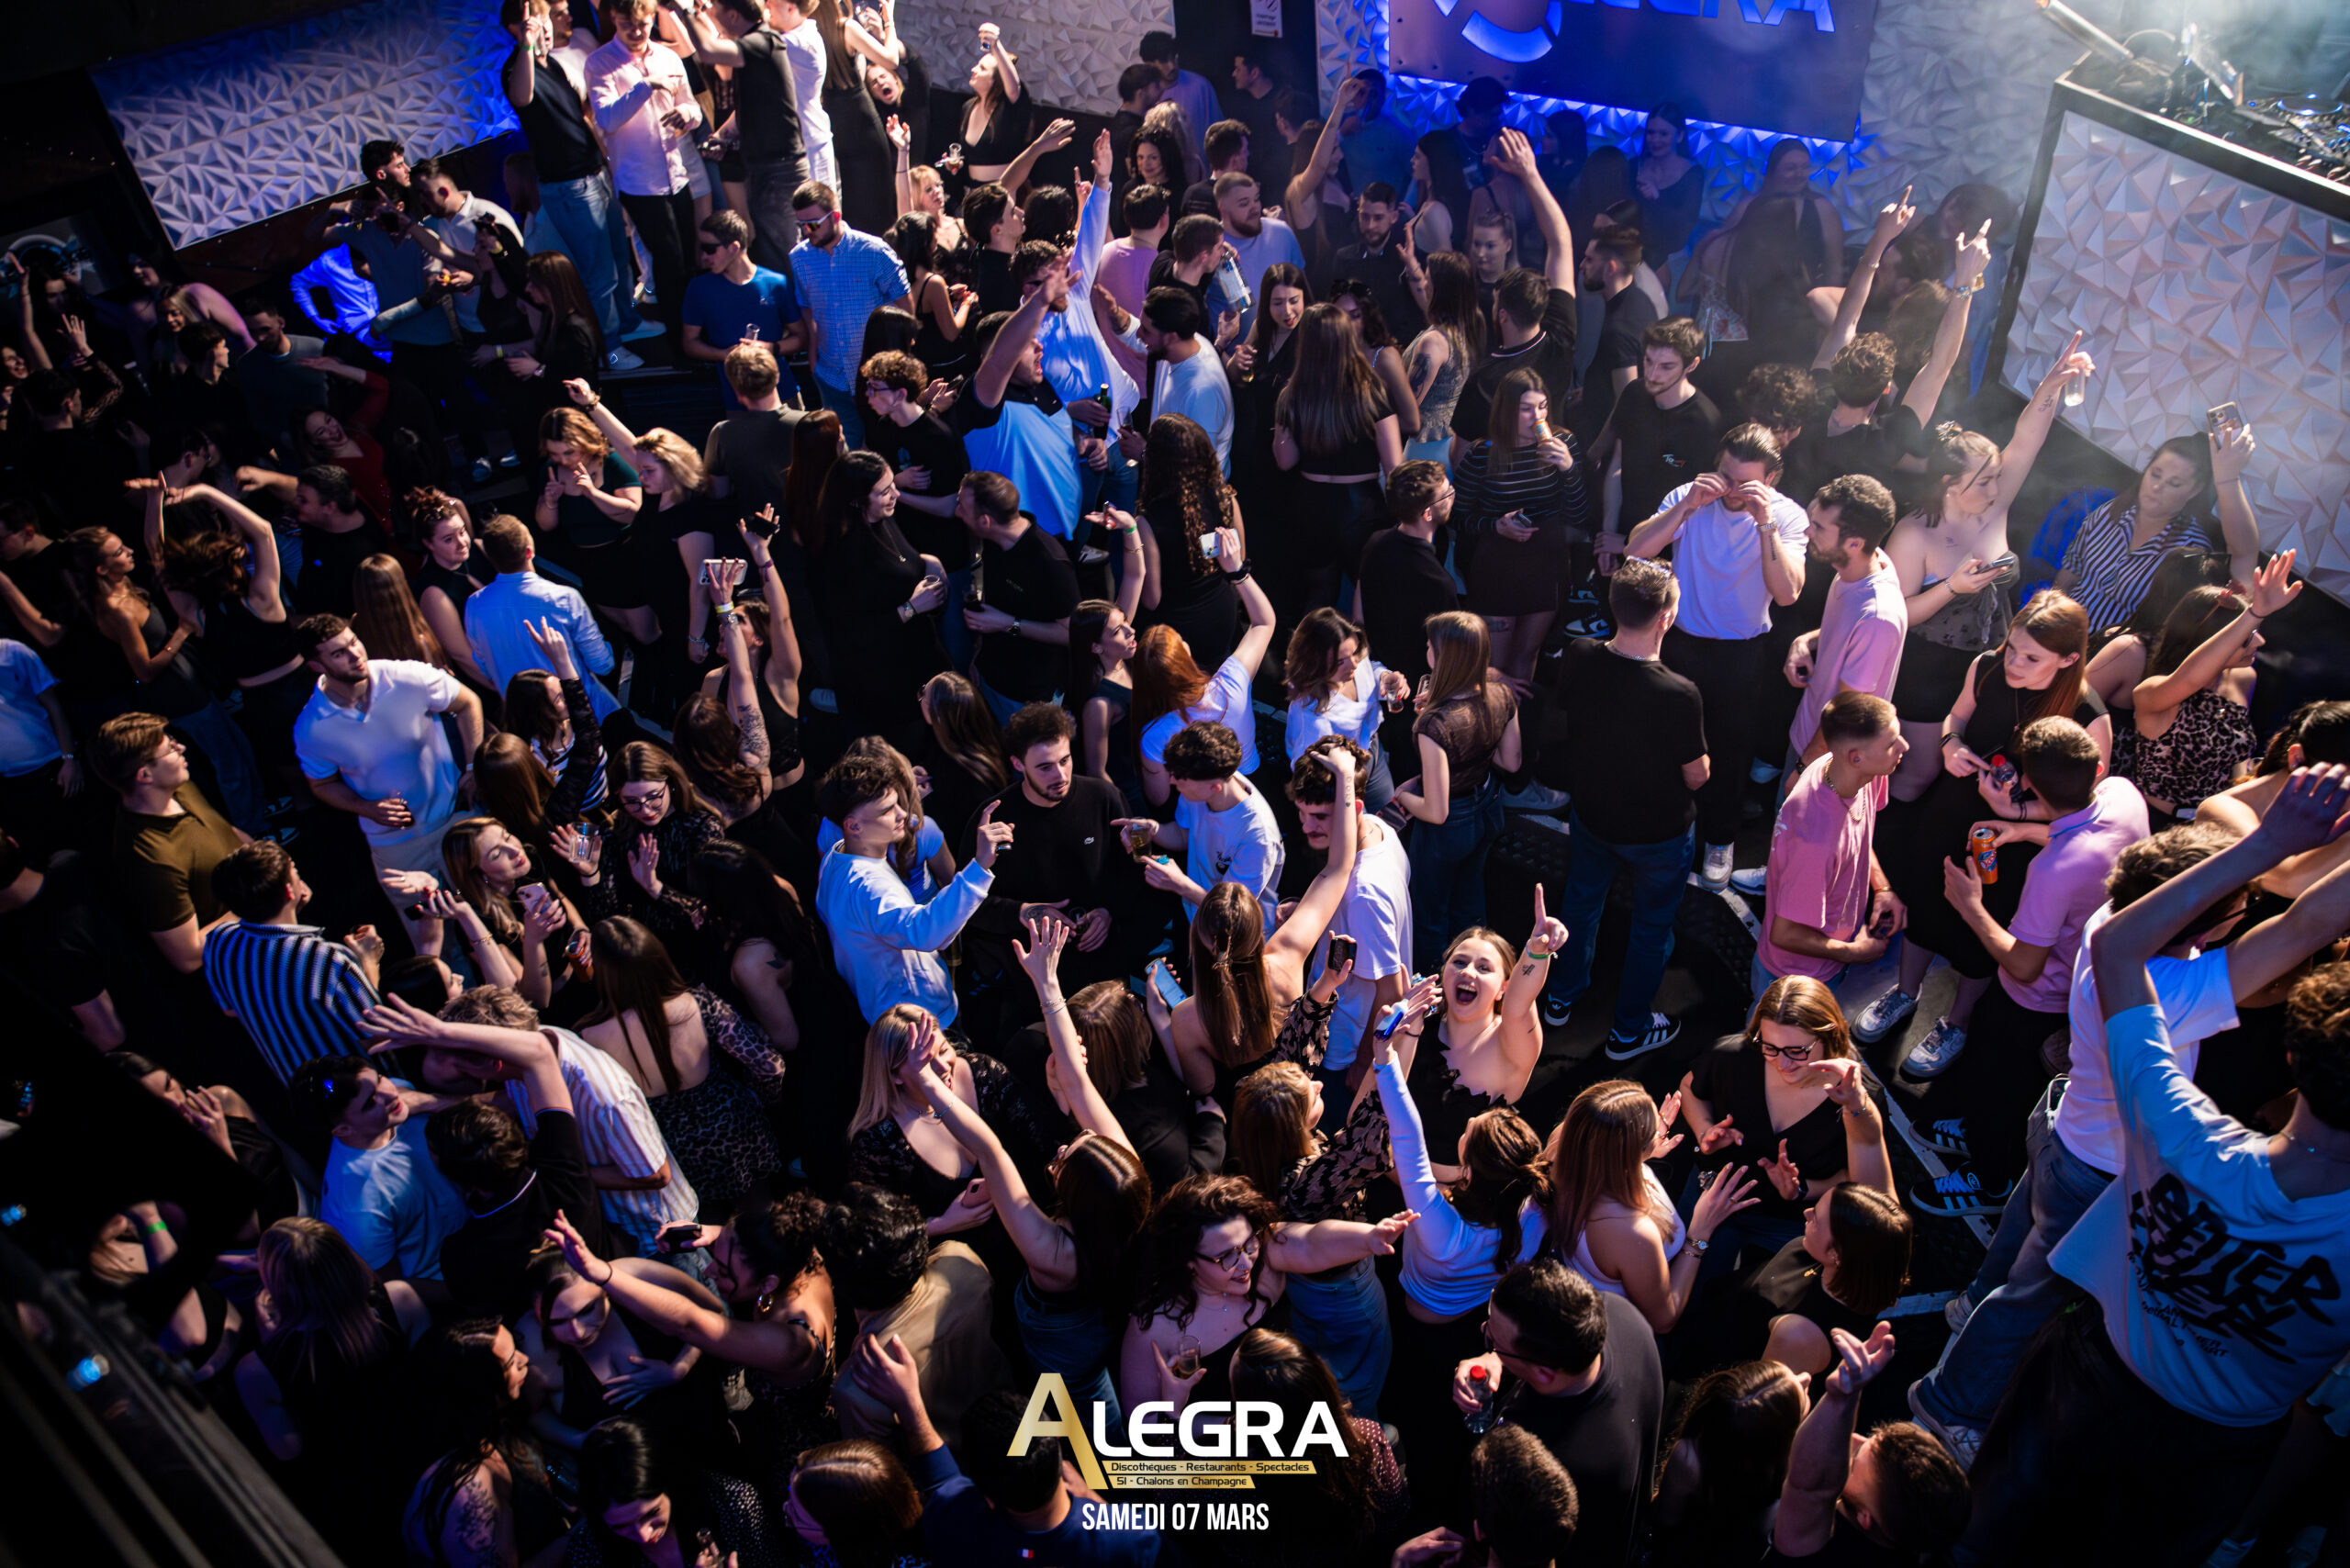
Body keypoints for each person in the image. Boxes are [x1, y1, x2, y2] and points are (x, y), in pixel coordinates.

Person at [1909, 819, 2350, 1471]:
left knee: (2015, 1250)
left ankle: (1968, 1306)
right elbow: (2305, 925)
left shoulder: (2111, 925)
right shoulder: (2173, 991)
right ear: (2207, 927)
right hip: (2097, 1172)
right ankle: (1951, 1405)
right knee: (2031, 1299)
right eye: (2237, 910)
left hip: (2064, 1128)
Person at [904, 915, 1147, 1427]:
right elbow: (1077, 1082)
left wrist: (925, 1083)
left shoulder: (1053, 1254)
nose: (1059, 1149)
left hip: (1068, 1352)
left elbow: (989, 1149)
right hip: (1115, 1312)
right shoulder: (1128, 1176)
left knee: (1083, 1413)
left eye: (1062, 1160)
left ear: (1075, 1196)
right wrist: (1047, 981)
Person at [1860, 593, 2110, 1068]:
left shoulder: (2088, 717)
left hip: (2014, 842)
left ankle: (1956, 1022)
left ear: (2068, 659)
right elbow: (1957, 716)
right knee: (1925, 899)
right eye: (2012, 648)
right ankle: (1905, 992)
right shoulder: (1986, 666)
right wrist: (1951, 743)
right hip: (1952, 810)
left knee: (1984, 930)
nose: (2013, 662)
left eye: (2031, 658)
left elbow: (2083, 806)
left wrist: (2016, 812)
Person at [1882, 337, 2092, 799]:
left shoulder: (1993, 507)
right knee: (1916, 775)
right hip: (1928, 672)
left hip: (1991, 668)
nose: (1997, 488)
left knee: (1965, 771)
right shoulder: (1915, 533)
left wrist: (2051, 387)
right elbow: (1895, 614)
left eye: (1997, 475)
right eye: (1984, 480)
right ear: (1949, 483)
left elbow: (2027, 441)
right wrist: (1951, 588)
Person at [1627, 424, 1808, 889]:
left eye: (1745, 482)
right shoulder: (1690, 495)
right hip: (1679, 643)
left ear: (1770, 480)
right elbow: (1636, 551)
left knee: (1730, 750)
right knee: (1665, 742)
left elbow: (1787, 593)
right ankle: (1661, 828)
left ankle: (1720, 840)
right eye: (1726, 475)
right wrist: (1686, 506)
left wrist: (1763, 521)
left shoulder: (1787, 516)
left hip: (1740, 653)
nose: (1730, 489)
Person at [1542, 559, 1707, 1051]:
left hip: (1593, 817)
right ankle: (1628, 1031)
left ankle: (1560, 998)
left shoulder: (1580, 654)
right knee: (1651, 929)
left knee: (1579, 906)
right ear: (1666, 618)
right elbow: (1697, 775)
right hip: (1658, 835)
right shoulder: (1680, 692)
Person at [1117, 1173, 1411, 1422]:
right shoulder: (1155, 1326)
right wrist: (1240, 1431)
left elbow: (1312, 1243)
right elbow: (1142, 1421)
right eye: (1226, 1257)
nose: (1246, 1263)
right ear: (1187, 1261)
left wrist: (1368, 1237)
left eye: (1248, 1244)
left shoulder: (1265, 1258)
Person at [1448, 1257, 1664, 1568]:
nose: (1486, 1334)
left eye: (1493, 1340)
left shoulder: (1545, 1461)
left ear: (1545, 1373)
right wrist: (1497, 1358)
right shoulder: (1619, 1313)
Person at [848, 1355, 1165, 1566]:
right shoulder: (1129, 1538)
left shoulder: (954, 1525)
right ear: (1057, 1447)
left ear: (986, 1497)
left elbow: (941, 1482)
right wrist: (1096, 1504)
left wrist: (909, 1405)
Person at [1676, 980, 1890, 1279]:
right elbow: (1690, 1087)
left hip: (1791, 1222)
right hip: (1713, 1194)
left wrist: (1802, 1190)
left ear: (1828, 1035)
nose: (1783, 1063)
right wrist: (1704, 1131)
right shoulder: (1734, 1055)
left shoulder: (1856, 1100)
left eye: (1797, 1050)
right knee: (1684, 1283)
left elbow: (1857, 1180)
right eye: (1770, 1047)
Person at [292, 613, 485, 939]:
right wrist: (366, 808)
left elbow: (468, 703)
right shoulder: (311, 728)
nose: (355, 654)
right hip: (396, 845)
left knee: (489, 909)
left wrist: (473, 768)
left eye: (354, 642)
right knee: (430, 937)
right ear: (316, 666)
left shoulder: (406, 676)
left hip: (455, 819)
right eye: (339, 653)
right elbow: (321, 784)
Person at [578, 916, 787, 1210]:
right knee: (761, 1220)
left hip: (672, 1154)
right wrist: (761, 1099)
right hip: (736, 1137)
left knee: (704, 1226)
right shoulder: (700, 1003)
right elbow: (770, 1066)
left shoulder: (588, 1038)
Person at [960, 701, 1157, 1003]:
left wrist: (1109, 913)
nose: (1061, 775)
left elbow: (1136, 875)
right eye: (1045, 767)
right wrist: (1023, 912)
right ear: (1017, 764)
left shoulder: (1104, 798)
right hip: (1033, 982)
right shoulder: (993, 820)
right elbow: (967, 903)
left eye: (1065, 760)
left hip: (1105, 972)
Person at [812, 748, 1008, 1026]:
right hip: (921, 1022)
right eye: (887, 810)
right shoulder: (870, 887)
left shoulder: (836, 855)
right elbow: (926, 931)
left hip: (890, 1012)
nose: (903, 814)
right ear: (854, 826)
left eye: (898, 803)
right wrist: (980, 865)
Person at [500, 0, 644, 364]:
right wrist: (526, 45)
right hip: (570, 186)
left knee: (620, 256)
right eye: (537, 23)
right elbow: (521, 97)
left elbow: (580, 118)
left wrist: (606, 161)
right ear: (517, 29)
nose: (546, 28)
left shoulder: (553, 65)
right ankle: (610, 349)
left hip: (595, 173)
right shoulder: (517, 68)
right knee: (600, 274)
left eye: (545, 20)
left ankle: (629, 322)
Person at [1768, 1323, 1971, 1563]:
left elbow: (1810, 1489)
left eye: (1853, 1462)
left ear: (1866, 1517)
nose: (1852, 1439)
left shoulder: (1820, 1550)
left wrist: (1841, 1398)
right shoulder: (1915, 1534)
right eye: (1868, 1438)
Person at [1752, 693, 1908, 1002]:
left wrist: (1882, 888)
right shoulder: (1815, 842)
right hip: (1796, 977)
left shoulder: (1859, 773)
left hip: (1829, 958)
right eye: (1892, 743)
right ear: (1856, 757)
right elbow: (1785, 934)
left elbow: (1857, 838)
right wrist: (1853, 953)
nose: (1904, 746)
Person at [1393, 612, 1523, 969]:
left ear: (1444, 657)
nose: (1426, 649)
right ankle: (1480, 974)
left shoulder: (1433, 725)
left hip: (1450, 827)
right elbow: (1511, 762)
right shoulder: (1501, 694)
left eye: (1430, 645)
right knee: (1470, 905)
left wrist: (1402, 794)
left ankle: (1433, 989)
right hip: (1489, 809)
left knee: (1429, 915)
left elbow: (1436, 812)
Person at [2114, 564, 2289, 818]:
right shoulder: (2153, 692)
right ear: (2211, 640)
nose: (2260, 642)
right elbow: (2192, 678)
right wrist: (2254, 613)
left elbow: (2235, 761)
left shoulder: (2243, 679)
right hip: (2153, 822)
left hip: (2210, 821)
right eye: (2247, 637)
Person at [202, 838, 383, 1082]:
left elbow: (230, 1009)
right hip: (360, 1092)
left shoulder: (220, 941)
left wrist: (288, 909)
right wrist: (369, 961)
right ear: (288, 891)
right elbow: (377, 1034)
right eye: (294, 870)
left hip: (301, 1092)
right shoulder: (326, 959)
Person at [1448, 130, 1578, 465]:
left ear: (1501, 314)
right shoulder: (1560, 339)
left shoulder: (1486, 378)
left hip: (1502, 485)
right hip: (1547, 475)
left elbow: (1461, 457)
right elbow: (1561, 242)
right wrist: (1530, 173)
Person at [1453, 371, 1589, 689]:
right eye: (1526, 409)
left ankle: (1519, 719)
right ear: (1506, 410)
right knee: (1494, 666)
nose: (1537, 417)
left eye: (1542, 406)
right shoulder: (1484, 452)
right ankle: (1494, 718)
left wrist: (1569, 469)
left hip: (1545, 561)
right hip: (1497, 564)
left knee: (1527, 657)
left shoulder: (1564, 443)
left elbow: (1580, 517)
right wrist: (1496, 526)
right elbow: (1457, 517)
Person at [290, 1056, 469, 1290]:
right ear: (343, 1130)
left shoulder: (396, 1102)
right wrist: (468, 1296)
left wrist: (431, 1102)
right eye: (369, 1102)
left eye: (380, 1079)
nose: (390, 1093)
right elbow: (392, 1287)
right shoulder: (357, 1207)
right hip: (457, 1278)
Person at [2055, 423, 2261, 627]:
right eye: (2155, 474)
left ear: (2194, 491)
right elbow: (2071, 569)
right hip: (2060, 629)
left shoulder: (2191, 552)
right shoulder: (2112, 512)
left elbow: (2165, 629)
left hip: (2107, 645)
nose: (2156, 487)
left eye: (2174, 483)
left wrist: (2227, 476)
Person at [811, 451, 949, 755]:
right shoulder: (838, 556)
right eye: (885, 491)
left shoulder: (881, 519)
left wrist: (925, 561)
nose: (896, 494)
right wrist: (911, 608)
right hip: (885, 688)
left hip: (917, 663)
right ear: (855, 500)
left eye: (893, 485)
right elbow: (851, 635)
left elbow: (895, 563)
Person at [588, 0, 704, 357]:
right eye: (628, 24)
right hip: (639, 183)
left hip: (676, 175)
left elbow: (694, 107)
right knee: (668, 262)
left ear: (652, 17)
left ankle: (695, 336)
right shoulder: (600, 62)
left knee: (688, 258)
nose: (637, 32)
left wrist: (686, 114)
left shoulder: (668, 57)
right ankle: (681, 348)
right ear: (614, 19)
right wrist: (645, 86)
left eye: (642, 23)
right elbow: (606, 119)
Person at [90, 713, 244, 976]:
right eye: (170, 748)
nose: (181, 747)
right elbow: (188, 956)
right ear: (145, 775)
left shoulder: (178, 787)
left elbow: (224, 832)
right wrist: (262, 900)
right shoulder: (148, 859)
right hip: (242, 961)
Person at [1134, 522, 1275, 808]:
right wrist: (1237, 572)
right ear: (1185, 656)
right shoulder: (1230, 684)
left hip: (1197, 810)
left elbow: (1159, 798)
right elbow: (1264, 622)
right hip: (1250, 792)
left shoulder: (1154, 735)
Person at [1781, 474, 1906, 771]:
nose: (1807, 531)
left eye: (1819, 527)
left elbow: (1846, 715)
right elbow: (1848, 632)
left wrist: (1803, 768)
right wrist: (1806, 641)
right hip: (1806, 736)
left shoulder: (1878, 617)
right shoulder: (1867, 563)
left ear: (1854, 543)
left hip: (1823, 762)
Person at [1122, 718, 1283, 931]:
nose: (1172, 780)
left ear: (1215, 788)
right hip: (1194, 915)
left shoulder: (1257, 837)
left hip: (1230, 937)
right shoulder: (1204, 784)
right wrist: (1153, 829)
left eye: (1179, 777)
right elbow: (1184, 835)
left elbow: (1232, 912)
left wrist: (1180, 884)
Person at [1646, 1361, 1806, 1567]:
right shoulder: (1791, 1491)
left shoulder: (1689, 1457)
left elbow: (1663, 1519)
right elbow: (1660, 1532)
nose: (1806, 1378)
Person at [568, 1416, 783, 1568]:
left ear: (669, 1482)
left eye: (652, 1513)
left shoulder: (732, 1502)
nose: (643, 1535)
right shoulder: (588, 1547)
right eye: (620, 1526)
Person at [789, 181, 912, 447]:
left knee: (888, 446)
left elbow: (906, 309)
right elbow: (807, 310)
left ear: (835, 216)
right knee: (847, 451)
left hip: (878, 378)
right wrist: (814, 360)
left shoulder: (874, 251)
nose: (806, 232)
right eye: (800, 225)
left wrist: (898, 364)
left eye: (812, 225)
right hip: (831, 376)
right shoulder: (799, 258)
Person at [465, 514, 621, 721]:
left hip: (525, 724)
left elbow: (486, 669)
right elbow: (602, 664)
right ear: (529, 551)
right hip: (581, 716)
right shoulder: (564, 598)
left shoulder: (474, 605)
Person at [957, 471, 1080, 721]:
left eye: (962, 506)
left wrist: (1008, 624)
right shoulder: (992, 541)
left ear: (985, 521)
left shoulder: (1051, 564)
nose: (956, 510)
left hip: (1028, 695)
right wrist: (979, 654)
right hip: (989, 676)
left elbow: (1072, 634)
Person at [1351, 462, 1460, 698]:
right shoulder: (1439, 583)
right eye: (1447, 493)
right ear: (1427, 513)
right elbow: (1448, 655)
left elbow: (1358, 614)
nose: (1453, 495)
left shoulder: (1375, 542)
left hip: (1379, 678)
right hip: (1417, 691)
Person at [677, 209, 804, 409]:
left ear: (734, 248)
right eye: (701, 248)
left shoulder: (776, 284)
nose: (704, 257)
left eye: (710, 249)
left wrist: (769, 348)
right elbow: (690, 343)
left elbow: (802, 337)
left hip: (784, 396)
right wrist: (725, 355)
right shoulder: (699, 288)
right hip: (737, 401)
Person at [1132, 286, 1235, 478]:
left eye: (1146, 330)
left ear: (1171, 337)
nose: (1138, 334)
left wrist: (1144, 454)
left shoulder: (1201, 393)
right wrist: (1115, 314)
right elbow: (1140, 338)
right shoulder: (1183, 344)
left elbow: (1200, 473)